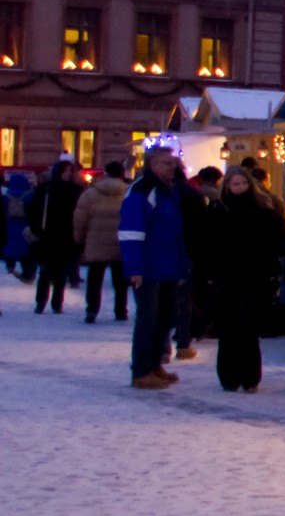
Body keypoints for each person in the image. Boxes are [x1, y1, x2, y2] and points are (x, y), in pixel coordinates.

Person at [120, 144, 196, 389]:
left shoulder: (169, 191)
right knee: (148, 319)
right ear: (152, 165)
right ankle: (141, 370)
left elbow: (176, 232)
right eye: (166, 163)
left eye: (173, 163)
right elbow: (131, 231)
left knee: (165, 319)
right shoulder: (143, 190)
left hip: (167, 266)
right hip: (149, 268)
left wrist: (180, 264)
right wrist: (134, 268)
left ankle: (154, 365)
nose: (172, 167)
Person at [212, 167, 285, 392]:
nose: (240, 189)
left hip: (255, 275)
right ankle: (229, 375)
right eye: (235, 185)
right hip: (227, 276)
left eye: (243, 184)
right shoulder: (219, 209)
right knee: (229, 327)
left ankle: (249, 376)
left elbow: (277, 240)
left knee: (248, 327)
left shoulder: (262, 209)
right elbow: (210, 244)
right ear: (227, 186)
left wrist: (271, 269)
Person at [74, 159, 132, 323]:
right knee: (120, 281)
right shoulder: (130, 192)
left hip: (95, 240)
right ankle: (121, 310)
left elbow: (80, 220)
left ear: (105, 172)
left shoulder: (90, 194)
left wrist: (79, 240)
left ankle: (92, 310)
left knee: (94, 279)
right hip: (122, 241)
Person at [25, 158, 85, 314]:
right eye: (65, 171)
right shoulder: (46, 189)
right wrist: (37, 229)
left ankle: (57, 303)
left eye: (69, 172)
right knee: (46, 271)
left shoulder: (74, 190)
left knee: (61, 273)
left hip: (66, 236)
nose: (67, 174)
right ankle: (41, 302)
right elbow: (34, 210)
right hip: (48, 236)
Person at [4, 171, 32, 279]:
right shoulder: (29, 194)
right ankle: (25, 267)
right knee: (25, 245)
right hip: (24, 223)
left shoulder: (6, 195)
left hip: (10, 223)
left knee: (10, 244)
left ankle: (10, 265)